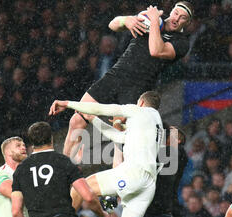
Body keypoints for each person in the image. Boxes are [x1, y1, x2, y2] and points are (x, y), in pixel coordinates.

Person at [50, 91, 164, 217]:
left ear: (140, 102)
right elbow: (118, 136)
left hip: (134, 174)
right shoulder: (155, 124)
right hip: (148, 185)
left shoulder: (138, 111)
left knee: (80, 187)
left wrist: (68, 103)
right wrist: (94, 120)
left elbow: (103, 108)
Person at [49, 2, 193, 159]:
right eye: (176, 13)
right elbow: (113, 24)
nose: (176, 18)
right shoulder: (154, 18)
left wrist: (152, 22)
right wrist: (127, 20)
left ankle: (120, 179)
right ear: (171, 11)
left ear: (187, 23)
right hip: (116, 75)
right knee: (77, 120)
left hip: (138, 88)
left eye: (182, 17)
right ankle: (65, 169)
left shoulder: (182, 42)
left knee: (121, 140)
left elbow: (155, 50)